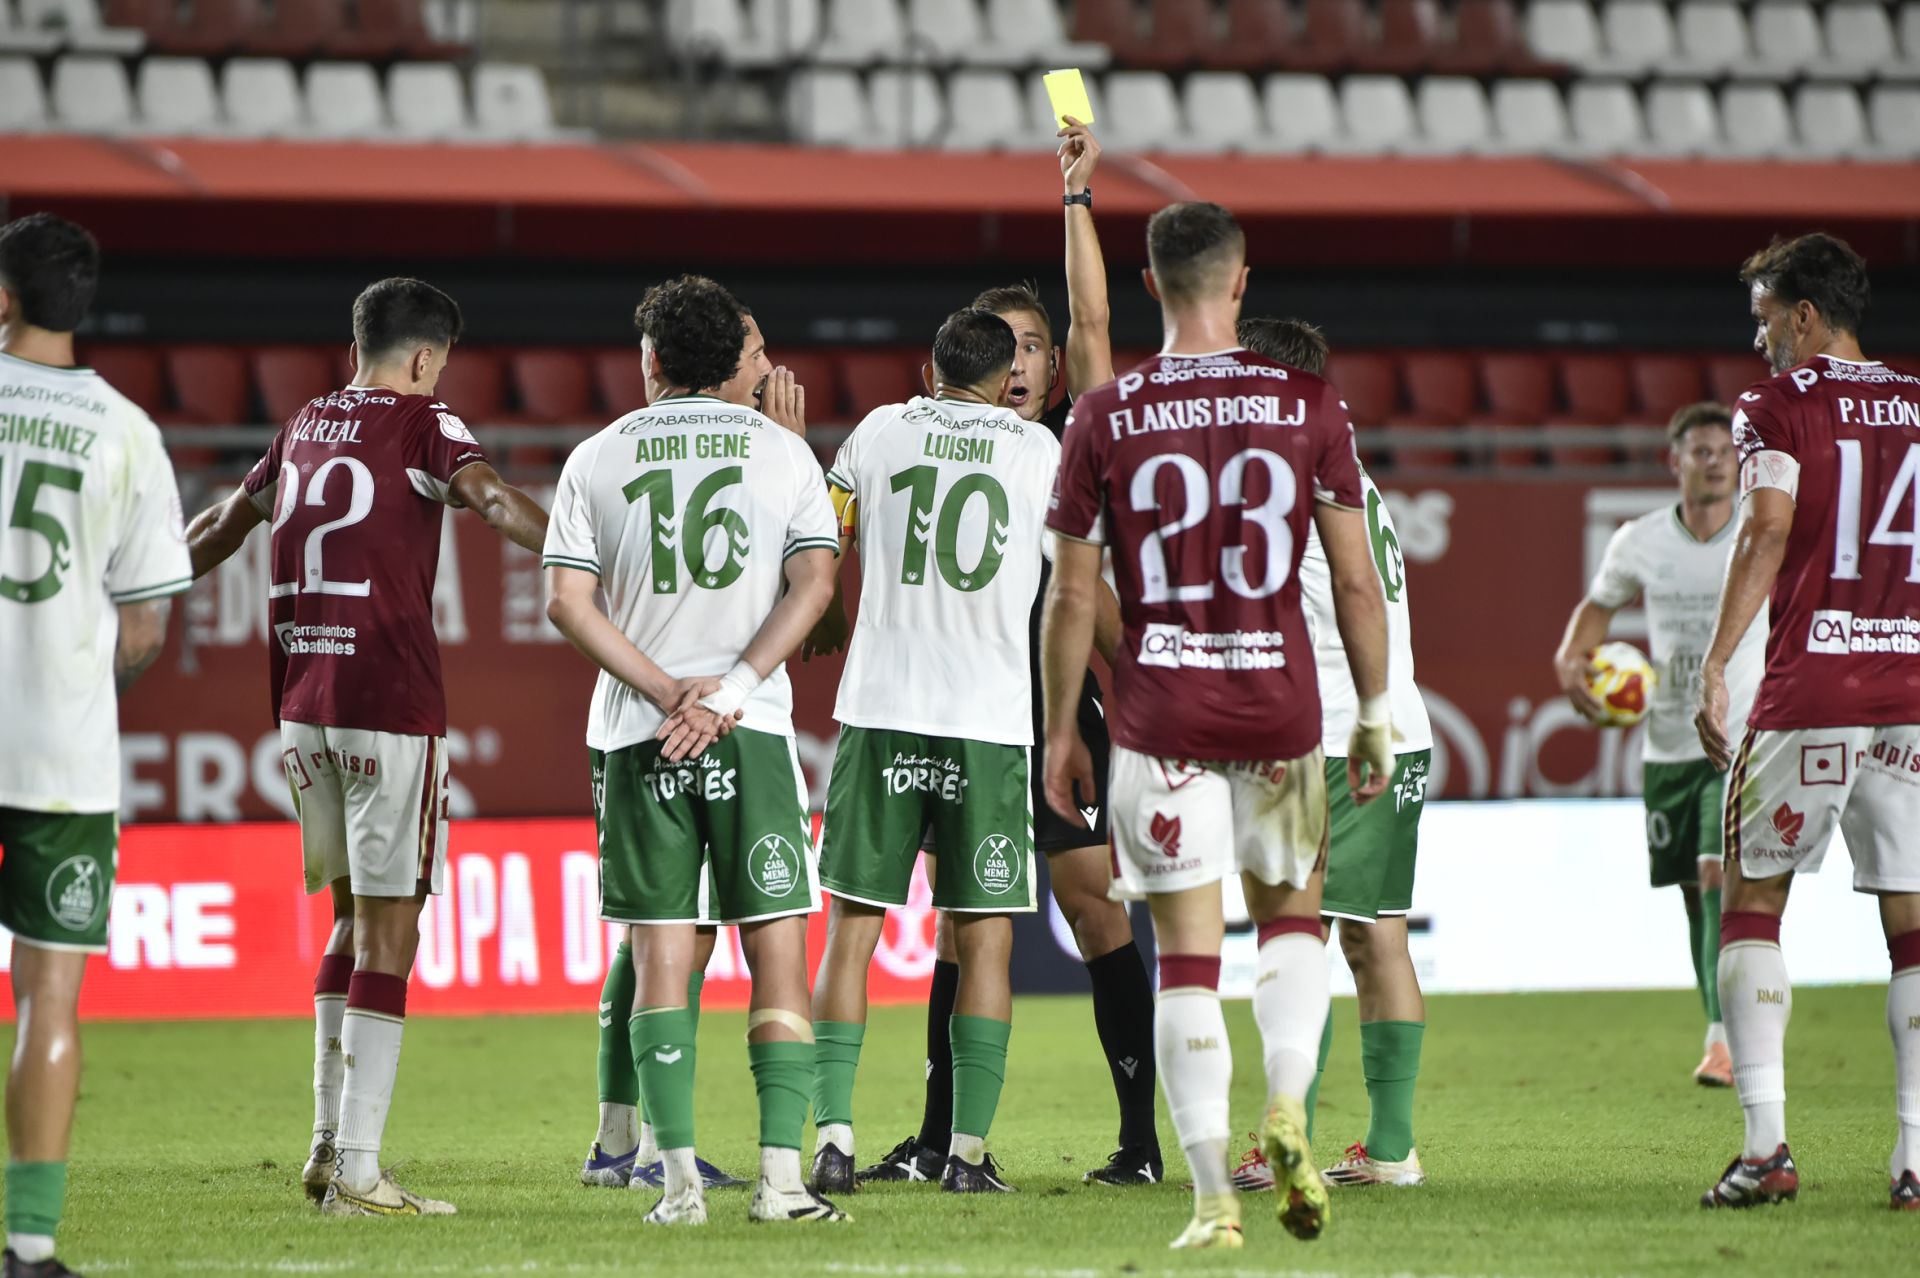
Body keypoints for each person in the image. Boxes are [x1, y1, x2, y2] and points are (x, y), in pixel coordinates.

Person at [1042, 203, 1392, 1251]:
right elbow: (1357, 582)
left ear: (1151, 285)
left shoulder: (1105, 416)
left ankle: (1211, 1204)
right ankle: (1287, 1106)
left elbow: (1070, 598)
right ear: (1241, 284)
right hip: (1280, 708)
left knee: (1188, 961)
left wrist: (1065, 732)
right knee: (1290, 930)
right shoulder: (1309, 404)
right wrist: (1372, 712)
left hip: (1159, 716)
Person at [185, 277, 549, 1216]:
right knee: (395, 927)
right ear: (426, 358)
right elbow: (496, 502)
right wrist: (596, 567)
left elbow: (224, 525)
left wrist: (134, 577)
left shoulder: (303, 423)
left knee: (351, 919)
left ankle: (324, 1145)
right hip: (388, 702)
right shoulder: (427, 425)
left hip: (303, 701)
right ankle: (357, 1167)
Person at [851, 116, 1157, 1190]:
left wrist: (1077, 199)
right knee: (961, 926)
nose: (1024, 362)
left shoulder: (1073, 442)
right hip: (966, 709)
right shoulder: (974, 445)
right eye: (1007, 347)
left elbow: (1097, 316)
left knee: (1091, 910)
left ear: (1059, 363)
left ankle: (1140, 1139)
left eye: (1038, 346)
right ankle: (939, 1142)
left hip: (1053, 713)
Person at [544, 274, 844, 1226]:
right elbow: (815, 584)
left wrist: (663, 689)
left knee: (660, 953)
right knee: (779, 950)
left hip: (639, 735)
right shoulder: (785, 452)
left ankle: (674, 1185)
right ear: (734, 362)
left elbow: (565, 603)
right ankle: (782, 1185)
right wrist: (735, 691)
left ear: (654, 360)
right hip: (751, 733)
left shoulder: (596, 455)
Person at [808, 309, 1059, 1196]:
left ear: (929, 372)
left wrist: (833, 610)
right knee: (984, 939)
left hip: (880, 708)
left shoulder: (880, 429)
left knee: (852, 932)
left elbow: (821, 532)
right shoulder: (1037, 454)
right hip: (988, 720)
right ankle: (965, 1156)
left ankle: (832, 1140)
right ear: (1006, 380)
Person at [1694, 232, 1920, 1211]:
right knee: (1910, 927)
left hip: (1811, 691)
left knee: (1750, 902)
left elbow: (1771, 523)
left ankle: (1766, 1149)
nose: (1760, 346)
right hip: (1912, 694)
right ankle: (1915, 1158)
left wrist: (1715, 659)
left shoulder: (1779, 406)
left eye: (1765, 323)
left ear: (1804, 316)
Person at [0, 213, 188, 1278]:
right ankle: (29, 1248)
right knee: (49, 1001)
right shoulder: (126, 431)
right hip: (62, 757)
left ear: (3, 296)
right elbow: (150, 622)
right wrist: (78, 676)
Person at [1226, 317, 1435, 1190]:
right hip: (1389, 734)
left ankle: (1293, 1144)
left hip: (1331, 742)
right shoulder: (1347, 467)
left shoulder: (1288, 473)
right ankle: (1389, 1150)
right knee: (1373, 938)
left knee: (1295, 938)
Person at [1553, 402, 1766, 1089]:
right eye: (1697, 450)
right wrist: (1571, 660)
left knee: (1715, 874)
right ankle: (1726, 1019)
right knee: (1692, 889)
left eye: (1721, 450)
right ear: (1672, 462)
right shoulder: (1640, 540)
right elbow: (1596, 610)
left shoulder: (1761, 536)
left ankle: (1724, 1042)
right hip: (1667, 743)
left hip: (1740, 739)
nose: (1712, 460)